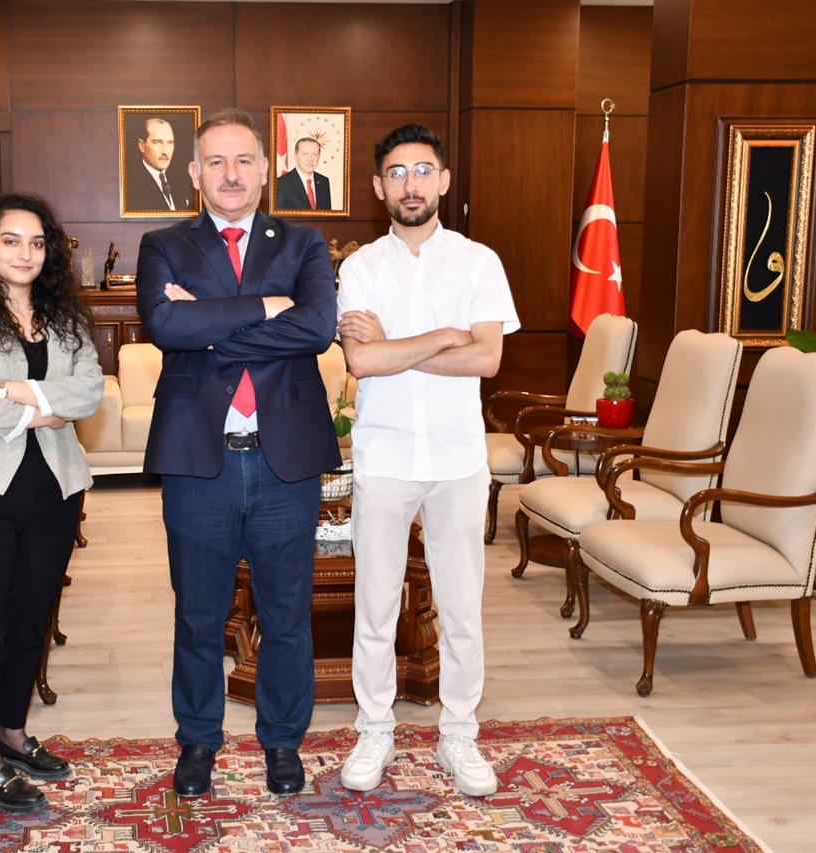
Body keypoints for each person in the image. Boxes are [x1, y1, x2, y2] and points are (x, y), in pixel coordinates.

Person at [136, 108, 340, 798]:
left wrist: (209, 325)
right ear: (195, 173)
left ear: (264, 170)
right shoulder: (163, 244)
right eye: (217, 162)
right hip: (200, 462)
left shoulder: (304, 242)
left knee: (287, 616)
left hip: (285, 462)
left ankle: (282, 742)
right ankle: (198, 741)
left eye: (244, 160)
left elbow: (317, 329)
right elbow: (165, 325)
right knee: (198, 616)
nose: (231, 174)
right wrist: (268, 306)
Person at [336, 124, 519, 797]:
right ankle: (374, 729)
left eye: (421, 170)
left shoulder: (478, 262)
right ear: (378, 186)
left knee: (462, 607)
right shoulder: (360, 268)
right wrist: (445, 335)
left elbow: (487, 358)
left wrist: (399, 345)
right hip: (383, 456)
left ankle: (459, 734)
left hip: (457, 459)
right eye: (396, 173)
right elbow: (362, 361)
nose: (409, 184)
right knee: (375, 604)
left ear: (442, 180)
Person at [0, 192, 105, 812]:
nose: (24, 253)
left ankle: (11, 731)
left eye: (36, 242)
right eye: (11, 240)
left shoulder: (67, 319)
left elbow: (90, 393)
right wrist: (43, 409)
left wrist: (12, 389)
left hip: (54, 488)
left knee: (32, 620)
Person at [126, 116, 193, 212]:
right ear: (142, 146)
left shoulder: (180, 182)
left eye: (170, 143)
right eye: (157, 142)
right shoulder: (131, 186)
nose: (165, 151)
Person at [276, 138, 332, 211]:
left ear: (319, 156)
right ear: (296, 155)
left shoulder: (323, 181)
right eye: (305, 154)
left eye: (315, 154)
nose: (310, 159)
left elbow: (327, 215)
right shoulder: (281, 184)